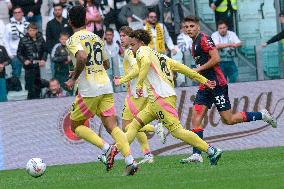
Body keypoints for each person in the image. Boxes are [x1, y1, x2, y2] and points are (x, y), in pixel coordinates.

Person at [112, 29, 223, 167]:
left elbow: (145, 63)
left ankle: (211, 150)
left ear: (140, 43)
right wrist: (203, 80)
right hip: (156, 100)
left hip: (161, 98)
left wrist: (139, 85)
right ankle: (114, 150)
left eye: (133, 45)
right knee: (134, 125)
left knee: (177, 131)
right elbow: (184, 68)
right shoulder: (161, 56)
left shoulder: (142, 51)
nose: (131, 49)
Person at [180, 16, 277, 163]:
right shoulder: (193, 43)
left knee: (229, 119)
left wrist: (198, 69)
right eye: (186, 27)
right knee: (196, 117)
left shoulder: (204, 39)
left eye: (191, 26)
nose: (189, 29)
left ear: (198, 27)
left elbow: (216, 58)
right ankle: (197, 154)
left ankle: (261, 115)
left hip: (217, 84)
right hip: (206, 85)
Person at [64, 6, 138, 176]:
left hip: (89, 89)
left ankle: (107, 149)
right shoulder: (96, 38)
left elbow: (82, 57)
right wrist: (79, 69)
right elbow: (106, 64)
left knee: (75, 125)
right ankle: (130, 161)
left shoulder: (72, 40)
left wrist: (73, 77)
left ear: (69, 21)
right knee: (112, 126)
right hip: (105, 86)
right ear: (85, 20)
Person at [113, 26, 166, 164]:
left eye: (124, 36)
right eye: (120, 36)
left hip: (136, 93)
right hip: (141, 90)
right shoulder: (134, 51)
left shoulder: (130, 52)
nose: (121, 38)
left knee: (128, 126)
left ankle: (156, 128)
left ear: (131, 37)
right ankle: (147, 154)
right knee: (134, 125)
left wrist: (122, 80)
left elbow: (136, 69)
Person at [17, 23, 47, 100]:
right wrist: (24, 60)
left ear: (36, 30)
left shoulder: (40, 38)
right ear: (27, 31)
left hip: (39, 66)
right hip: (29, 67)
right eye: (30, 30)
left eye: (34, 30)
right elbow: (19, 53)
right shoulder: (23, 40)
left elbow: (45, 50)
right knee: (31, 89)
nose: (32, 32)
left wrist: (43, 59)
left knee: (38, 88)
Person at [3, 6, 29, 82]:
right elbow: (5, 41)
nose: (17, 14)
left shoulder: (28, 25)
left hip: (27, 53)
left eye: (19, 12)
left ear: (22, 13)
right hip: (15, 54)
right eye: (15, 12)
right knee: (17, 71)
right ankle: (15, 85)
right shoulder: (8, 26)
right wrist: (10, 54)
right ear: (13, 14)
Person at [46, 3, 73, 76]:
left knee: (70, 77)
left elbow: (72, 36)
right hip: (56, 54)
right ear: (53, 11)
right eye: (56, 10)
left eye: (59, 10)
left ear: (62, 10)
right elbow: (48, 39)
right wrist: (52, 52)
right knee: (55, 76)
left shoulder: (68, 22)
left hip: (68, 54)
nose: (57, 11)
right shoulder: (50, 24)